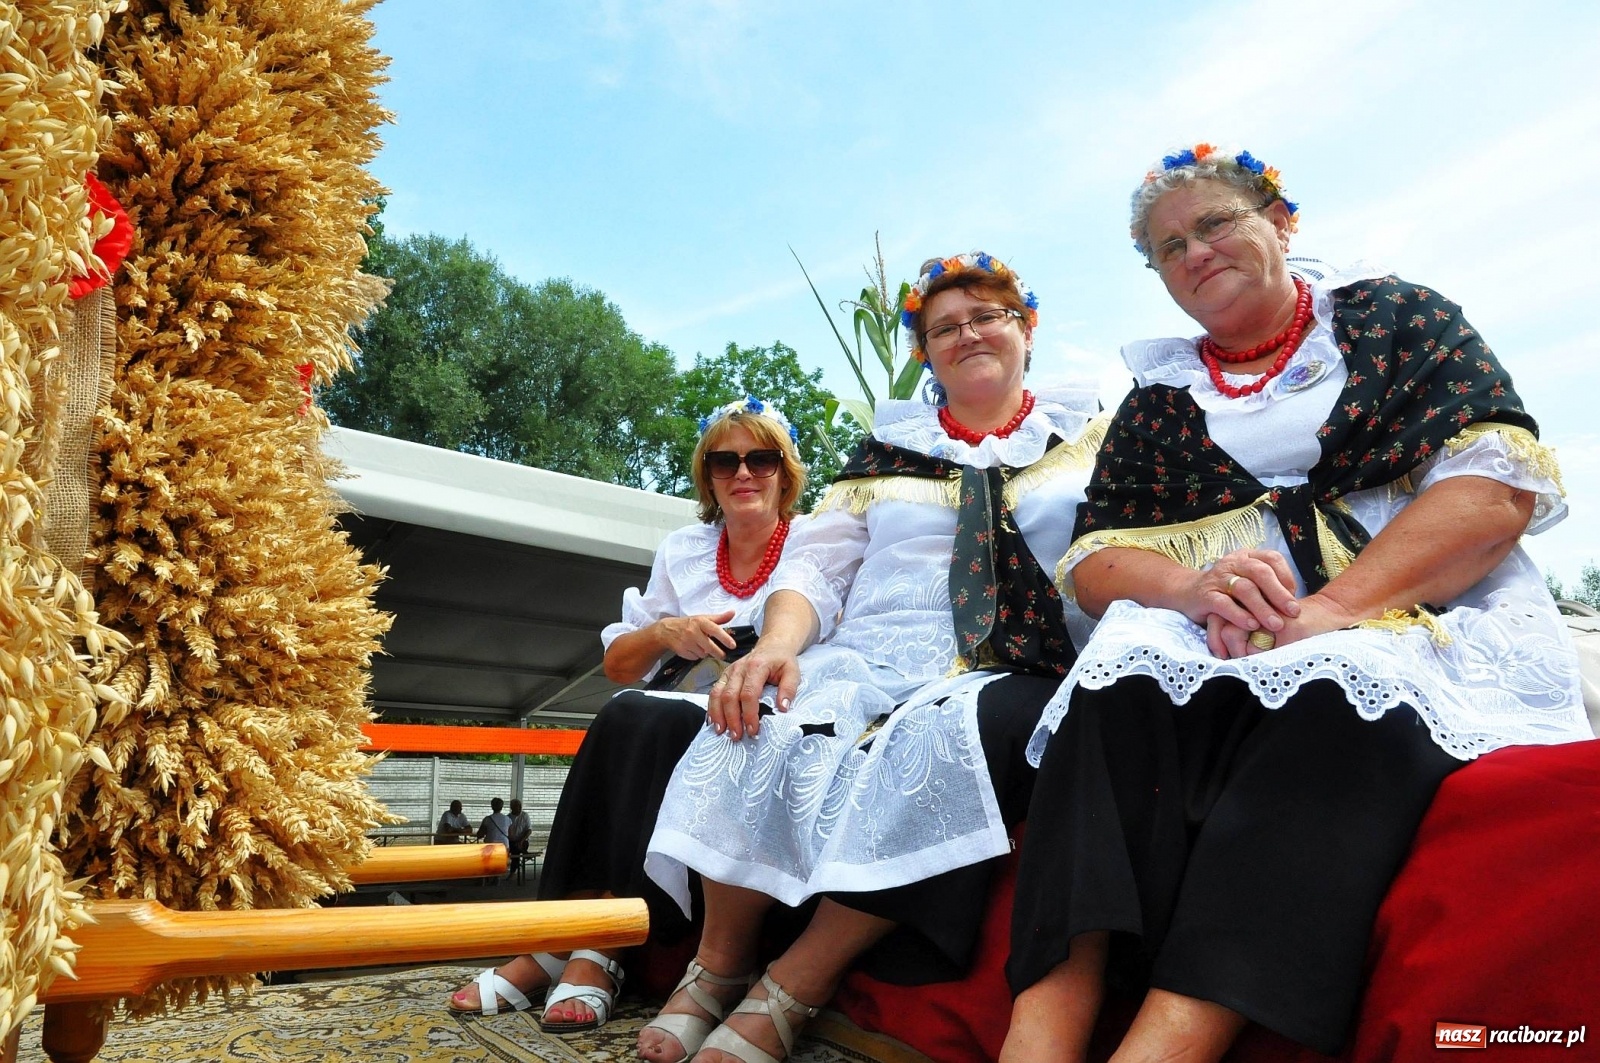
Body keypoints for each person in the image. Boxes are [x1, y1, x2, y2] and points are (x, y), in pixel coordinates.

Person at [1001, 144, 1593, 1063]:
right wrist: (1193, 587)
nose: (1192, 252)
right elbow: (1095, 559)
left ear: (1281, 222)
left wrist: (1335, 610)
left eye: (1213, 223)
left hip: (1411, 611)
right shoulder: (1159, 400)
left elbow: (1495, 489)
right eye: (1167, 248)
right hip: (1227, 635)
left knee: (1340, 690)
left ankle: (1162, 1050)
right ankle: (1036, 1044)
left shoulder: (1396, 318)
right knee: (1109, 697)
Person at [640, 253, 1103, 1063]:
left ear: (1027, 327)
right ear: (925, 353)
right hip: (873, 644)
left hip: (1010, 653)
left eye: (986, 316)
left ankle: (796, 983)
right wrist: (777, 646)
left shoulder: (1091, 437)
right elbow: (815, 567)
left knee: (946, 733)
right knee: (760, 710)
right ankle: (715, 964)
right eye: (943, 328)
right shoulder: (888, 452)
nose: (967, 335)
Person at [446, 398, 807, 1034]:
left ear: (785, 469)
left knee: (650, 720)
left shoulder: (811, 541)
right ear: (707, 475)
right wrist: (667, 630)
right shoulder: (685, 548)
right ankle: (564, 934)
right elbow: (618, 663)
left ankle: (597, 945)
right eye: (726, 460)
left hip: (764, 703)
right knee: (625, 711)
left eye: (761, 458)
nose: (743, 473)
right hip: (671, 695)